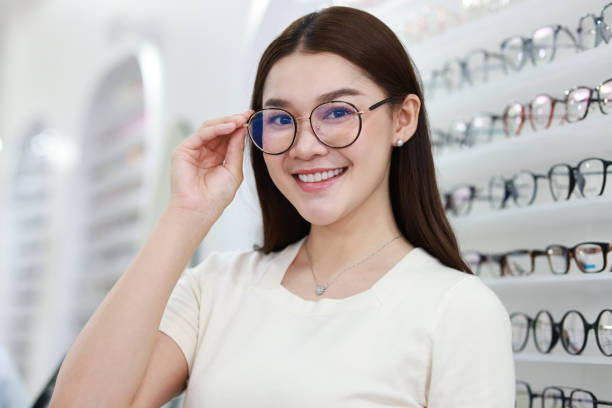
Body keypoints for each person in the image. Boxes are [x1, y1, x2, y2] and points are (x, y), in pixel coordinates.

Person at [50, 5, 515, 408]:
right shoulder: (217, 287)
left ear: (403, 118)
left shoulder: (458, 310)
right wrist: (185, 216)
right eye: (280, 119)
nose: (306, 146)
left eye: (337, 112)